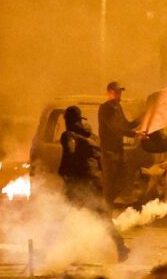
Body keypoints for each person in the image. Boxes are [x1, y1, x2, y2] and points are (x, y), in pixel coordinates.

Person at [59, 106, 130, 262]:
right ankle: (121, 246)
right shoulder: (94, 137)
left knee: (63, 214)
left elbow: (70, 152)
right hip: (95, 181)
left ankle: (52, 252)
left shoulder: (69, 135)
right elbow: (100, 161)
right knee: (103, 216)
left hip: (79, 183)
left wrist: (66, 172)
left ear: (68, 120)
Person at [98, 81, 143, 206]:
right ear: (109, 93)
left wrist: (141, 119)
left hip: (118, 151)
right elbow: (115, 129)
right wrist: (134, 134)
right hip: (109, 154)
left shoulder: (118, 108)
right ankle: (107, 213)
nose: (119, 95)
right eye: (116, 92)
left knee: (121, 181)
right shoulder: (105, 108)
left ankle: (112, 209)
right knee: (110, 186)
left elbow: (126, 125)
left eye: (119, 92)